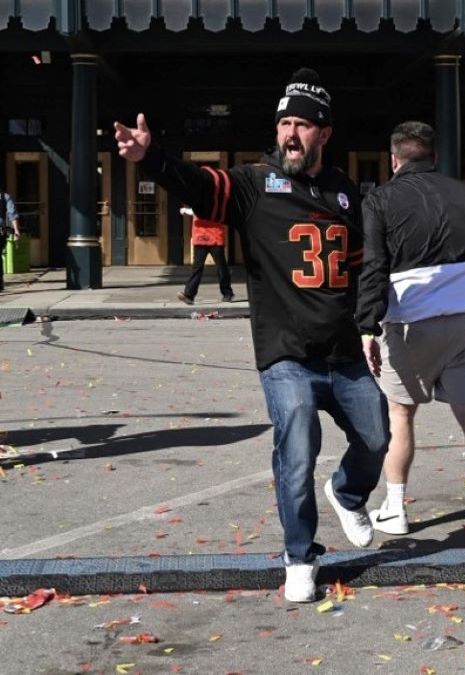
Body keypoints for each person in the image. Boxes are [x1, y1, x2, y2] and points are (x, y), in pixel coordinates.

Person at [114, 68, 390, 603]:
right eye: (285, 124)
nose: (291, 134)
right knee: (298, 444)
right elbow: (199, 185)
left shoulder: (344, 191)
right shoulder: (253, 184)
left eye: (302, 125)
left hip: (342, 351)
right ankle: (299, 557)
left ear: (324, 133)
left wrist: (367, 327)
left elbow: (359, 269)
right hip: (286, 353)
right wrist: (151, 158)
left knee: (378, 436)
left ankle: (348, 493)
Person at [357, 122, 465, 548]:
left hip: (410, 319)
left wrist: (367, 325)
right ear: (433, 156)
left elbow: (375, 266)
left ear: (394, 159)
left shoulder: (380, 199)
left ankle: (395, 508)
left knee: (401, 415)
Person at [177, 206, 234, 304]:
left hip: (214, 237)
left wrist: (186, 210)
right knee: (198, 267)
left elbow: (199, 211)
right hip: (202, 237)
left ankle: (227, 293)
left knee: (221, 267)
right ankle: (189, 295)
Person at [0, 191, 19, 292]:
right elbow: (12, 214)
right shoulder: (5, 196)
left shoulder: (5, 197)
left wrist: (16, 230)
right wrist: (16, 230)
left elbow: (12, 215)